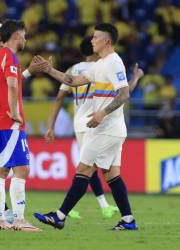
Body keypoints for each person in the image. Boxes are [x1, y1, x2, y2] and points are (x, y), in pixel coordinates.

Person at [34, 23, 141, 230]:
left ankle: (59, 216)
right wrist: (50, 70)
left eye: (95, 37)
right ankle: (128, 220)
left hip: (106, 128)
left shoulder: (113, 63)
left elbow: (125, 93)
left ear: (107, 41)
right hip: (110, 129)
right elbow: (73, 80)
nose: (91, 40)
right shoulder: (100, 64)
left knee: (84, 169)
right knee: (111, 174)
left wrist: (102, 113)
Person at [45, 37, 118, 219]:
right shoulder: (101, 67)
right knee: (88, 167)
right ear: (94, 49)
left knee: (89, 166)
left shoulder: (73, 69)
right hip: (95, 121)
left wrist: (50, 126)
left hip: (80, 123)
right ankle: (78, 208)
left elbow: (59, 98)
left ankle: (76, 208)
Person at [0, 19, 48, 231]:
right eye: (23, 34)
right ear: (15, 36)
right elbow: (12, 85)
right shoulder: (10, 56)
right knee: (20, 169)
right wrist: (14, 112)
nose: (25, 38)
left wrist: (28, 71)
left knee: (2, 170)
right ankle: (18, 220)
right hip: (9, 122)